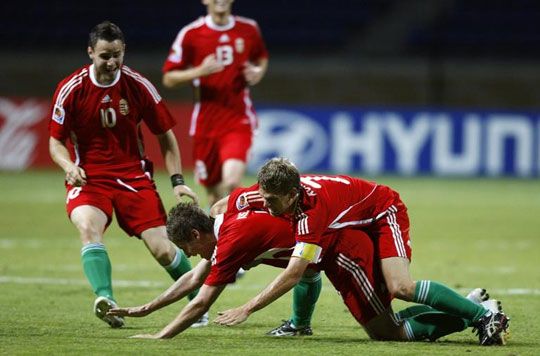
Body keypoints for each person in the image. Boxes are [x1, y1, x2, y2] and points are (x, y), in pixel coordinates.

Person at [108, 201, 507, 345]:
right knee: (382, 323)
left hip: (343, 249)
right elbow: (195, 279)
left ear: (197, 234)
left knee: (390, 330)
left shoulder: (229, 240)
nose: (190, 255)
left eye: (187, 248)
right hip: (328, 251)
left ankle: (473, 311)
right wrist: (146, 309)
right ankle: (471, 307)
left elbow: (201, 302)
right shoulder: (223, 215)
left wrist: (162, 334)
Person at [212, 158, 510, 346]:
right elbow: (221, 206)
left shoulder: (312, 212)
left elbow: (295, 274)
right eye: (263, 197)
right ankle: (467, 308)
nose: (266, 205)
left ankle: (482, 315)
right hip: (358, 227)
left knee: (401, 286)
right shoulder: (269, 193)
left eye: (272, 201)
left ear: (292, 194)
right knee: (383, 326)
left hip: (383, 211)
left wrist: (246, 308)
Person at [48, 21, 206, 329]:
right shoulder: (72, 88)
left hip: (133, 177)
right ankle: (106, 300)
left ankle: (198, 301)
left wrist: (178, 182)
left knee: (162, 249)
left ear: (124, 52)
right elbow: (55, 141)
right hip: (89, 179)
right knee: (88, 228)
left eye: (117, 55)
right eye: (104, 55)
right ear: (90, 52)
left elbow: (166, 136)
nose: (111, 62)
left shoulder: (138, 85)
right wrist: (69, 167)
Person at [162, 0, 269, 208]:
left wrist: (258, 72)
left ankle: (242, 232)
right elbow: (168, 78)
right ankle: (220, 236)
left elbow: (261, 57)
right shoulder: (191, 34)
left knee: (231, 182)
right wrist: (198, 71)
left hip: (239, 120)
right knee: (213, 196)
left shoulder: (248, 29)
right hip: (206, 125)